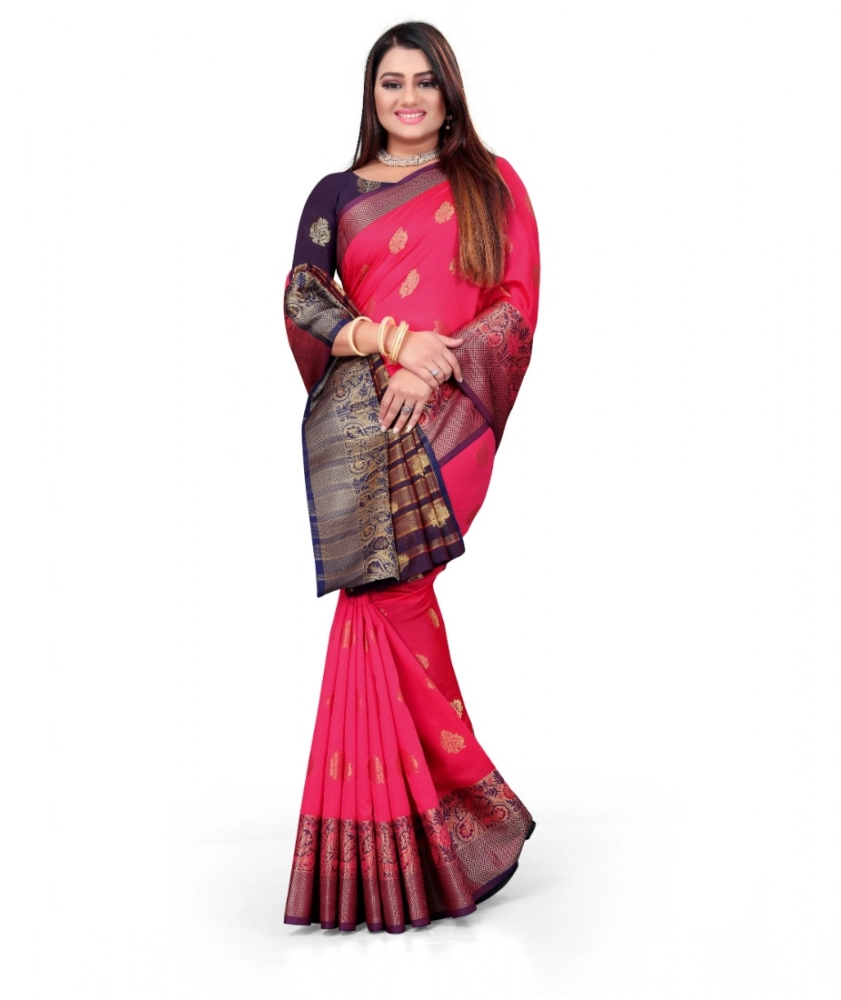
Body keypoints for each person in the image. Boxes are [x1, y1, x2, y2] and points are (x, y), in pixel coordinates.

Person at [282, 21, 539, 934]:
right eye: (392, 82)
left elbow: (514, 307)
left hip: (448, 419)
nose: (409, 98)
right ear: (372, 95)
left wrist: (436, 365)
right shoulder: (337, 194)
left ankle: (452, 825)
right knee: (379, 603)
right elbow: (303, 296)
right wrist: (389, 339)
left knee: (391, 593)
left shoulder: (490, 184)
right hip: (363, 421)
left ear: (448, 91)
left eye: (425, 81)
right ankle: (427, 841)